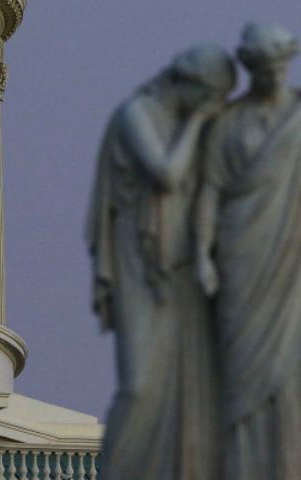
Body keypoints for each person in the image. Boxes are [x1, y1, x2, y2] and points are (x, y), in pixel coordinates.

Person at [88, 45, 236, 480]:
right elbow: (167, 175)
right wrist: (196, 121)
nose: (214, 108)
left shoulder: (182, 125)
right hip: (139, 262)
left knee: (187, 389)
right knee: (139, 386)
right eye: (212, 97)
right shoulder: (137, 113)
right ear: (193, 85)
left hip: (178, 266)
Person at [196, 23, 301, 480]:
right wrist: (201, 253)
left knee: (288, 366)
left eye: (278, 65)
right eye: (262, 67)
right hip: (239, 253)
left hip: (290, 254)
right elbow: (208, 190)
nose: (272, 75)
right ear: (250, 67)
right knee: (240, 369)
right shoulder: (228, 123)